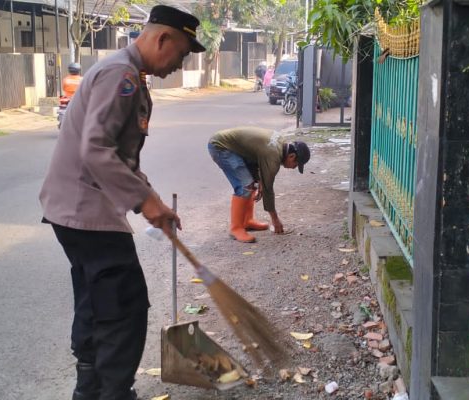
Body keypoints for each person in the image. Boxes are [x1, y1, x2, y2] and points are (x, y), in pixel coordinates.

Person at [39, 5, 205, 400]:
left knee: (96, 300)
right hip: (86, 211)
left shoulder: (126, 73)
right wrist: (144, 202)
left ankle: (90, 387)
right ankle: (113, 392)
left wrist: (153, 200)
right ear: (163, 39)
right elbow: (96, 150)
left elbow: (118, 154)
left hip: (71, 211)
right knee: (123, 307)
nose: (179, 65)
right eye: (181, 53)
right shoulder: (121, 75)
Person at [208, 126, 311, 243]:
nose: (294, 168)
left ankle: (247, 221)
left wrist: (260, 180)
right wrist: (275, 219)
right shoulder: (273, 157)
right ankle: (235, 228)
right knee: (245, 185)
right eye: (296, 164)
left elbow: (258, 156)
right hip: (221, 147)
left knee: (253, 183)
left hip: (233, 147)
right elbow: (268, 189)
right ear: (291, 156)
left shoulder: (280, 142)